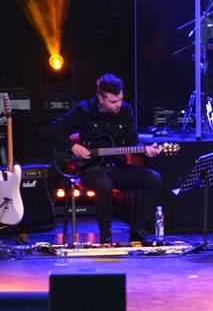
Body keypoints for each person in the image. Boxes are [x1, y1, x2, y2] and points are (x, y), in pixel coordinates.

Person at [50, 74, 164, 245]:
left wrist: (146, 151)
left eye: (120, 99)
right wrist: (73, 146)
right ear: (101, 99)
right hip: (91, 169)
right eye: (113, 101)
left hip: (116, 167)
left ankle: (137, 232)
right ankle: (106, 237)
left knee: (154, 179)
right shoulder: (84, 110)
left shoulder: (126, 111)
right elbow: (54, 128)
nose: (118, 104)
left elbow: (132, 144)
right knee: (104, 184)